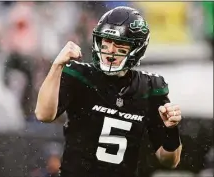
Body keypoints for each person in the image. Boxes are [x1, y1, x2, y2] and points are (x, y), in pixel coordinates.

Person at [35, 6, 182, 177]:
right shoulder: (80, 75)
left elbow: (170, 161)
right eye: (107, 41)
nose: (110, 50)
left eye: (119, 44)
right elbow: (43, 115)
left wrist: (172, 131)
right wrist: (57, 66)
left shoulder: (150, 88)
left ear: (137, 48)